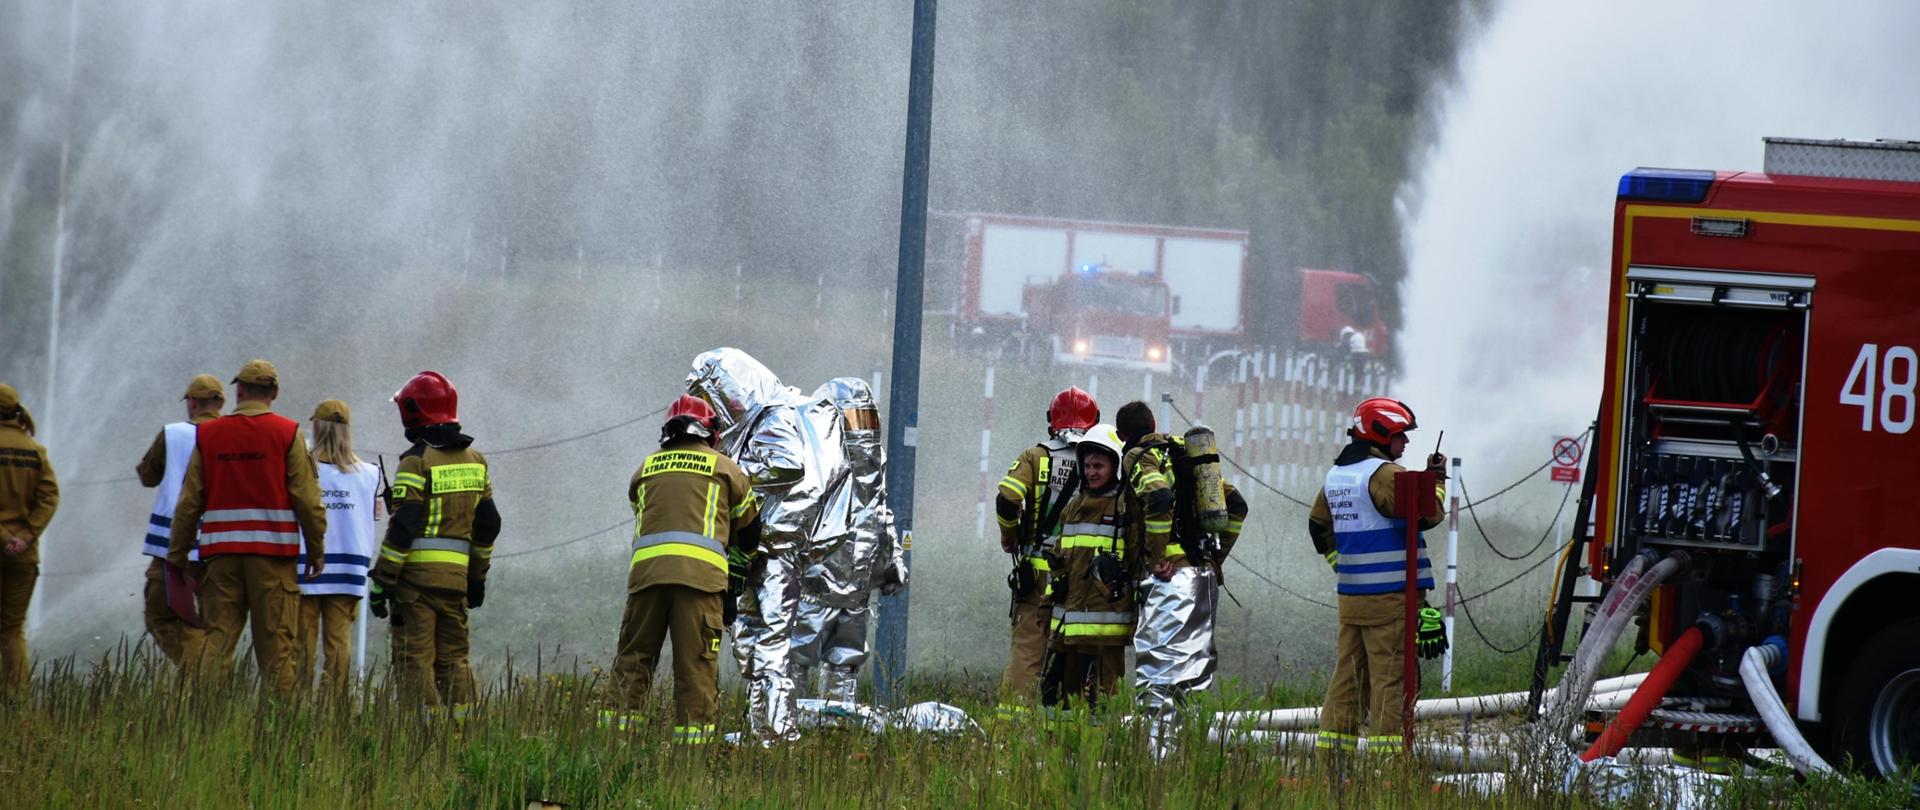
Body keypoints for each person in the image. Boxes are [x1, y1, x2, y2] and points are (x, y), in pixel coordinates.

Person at [686, 348, 844, 743]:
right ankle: (761, 728)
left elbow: (788, 464)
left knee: (771, 645)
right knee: (749, 645)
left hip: (775, 553)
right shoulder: (741, 431)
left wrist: (730, 475)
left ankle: (775, 733)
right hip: (750, 551)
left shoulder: (773, 416)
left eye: (708, 393)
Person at [606, 396, 761, 743]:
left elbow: (643, 510)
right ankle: (691, 755)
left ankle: (615, 744)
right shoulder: (725, 468)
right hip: (700, 584)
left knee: (632, 662)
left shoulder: (646, 468)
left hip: (646, 581)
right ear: (711, 434)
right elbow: (750, 529)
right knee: (695, 669)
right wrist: (736, 575)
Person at [168, 360, 328, 696]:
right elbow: (308, 500)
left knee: (217, 640)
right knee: (277, 649)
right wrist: (316, 548)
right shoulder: (288, 433)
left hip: (221, 559)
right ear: (275, 392)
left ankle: (204, 723)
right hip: (273, 559)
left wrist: (178, 556)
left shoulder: (208, 435)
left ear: (238, 391)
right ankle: (281, 729)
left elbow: (188, 503)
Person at [1308, 396, 1448, 758]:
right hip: (1391, 600)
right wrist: (1436, 480)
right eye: (1401, 436)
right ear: (1381, 432)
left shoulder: (1337, 475)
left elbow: (1317, 526)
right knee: (1391, 681)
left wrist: (1344, 565)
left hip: (1353, 600)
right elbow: (1427, 515)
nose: (1406, 444)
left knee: (1348, 681)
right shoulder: (1386, 474)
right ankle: (1389, 767)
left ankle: (1333, 764)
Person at [1113, 400, 1249, 754]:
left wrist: (1158, 556)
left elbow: (1157, 497)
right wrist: (1216, 558)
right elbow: (1236, 504)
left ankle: (1159, 765)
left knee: (1161, 678)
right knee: (1191, 678)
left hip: (1170, 580)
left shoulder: (1139, 456)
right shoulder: (1183, 454)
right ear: (1154, 422)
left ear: (1123, 435)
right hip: (1203, 577)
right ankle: (1187, 756)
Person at [368, 371, 499, 711]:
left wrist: (383, 580)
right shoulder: (476, 461)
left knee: (414, 661)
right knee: (455, 661)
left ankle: (420, 741)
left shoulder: (415, 461)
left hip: (416, 587)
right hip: (455, 585)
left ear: (413, 413)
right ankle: (464, 737)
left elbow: (405, 524)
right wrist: (476, 578)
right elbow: (489, 523)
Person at [790, 377, 907, 704]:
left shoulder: (872, 460)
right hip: (814, 585)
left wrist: (893, 559)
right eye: (855, 417)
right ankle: (786, 729)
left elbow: (881, 512)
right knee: (796, 660)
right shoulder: (811, 457)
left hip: (854, 588)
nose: (862, 428)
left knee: (845, 662)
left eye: (867, 417)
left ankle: (835, 730)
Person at [991, 386, 1096, 715]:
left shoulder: (1036, 457)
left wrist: (1009, 536)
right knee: (1077, 655)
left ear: (1051, 421)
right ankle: (1066, 726)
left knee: (1028, 652)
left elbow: (1007, 497)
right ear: (1094, 422)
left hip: (1038, 574)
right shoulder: (1103, 459)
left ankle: (1012, 727)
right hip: (1082, 578)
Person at [1039, 424, 1133, 708]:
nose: (1091, 472)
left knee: (1102, 702)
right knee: (1056, 699)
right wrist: (1046, 607)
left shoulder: (1124, 508)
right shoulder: (1073, 506)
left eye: (1099, 466)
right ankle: (1057, 750)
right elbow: (1058, 562)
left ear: (1115, 467)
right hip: (1066, 628)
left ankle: (1103, 751)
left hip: (1105, 629)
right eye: (1087, 465)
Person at [135, 374, 223, 666]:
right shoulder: (233, 434)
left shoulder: (172, 434)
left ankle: (197, 674)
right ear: (220, 402)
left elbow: (147, 476)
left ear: (193, 403)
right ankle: (208, 681)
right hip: (219, 545)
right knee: (213, 623)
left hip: (172, 546)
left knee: (160, 612)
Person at [295, 400, 382, 697]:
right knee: (339, 646)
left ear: (317, 428)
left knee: (301, 646)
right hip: (349, 571)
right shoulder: (371, 474)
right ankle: (333, 711)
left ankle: (298, 708)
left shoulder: (302, 470)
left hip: (307, 566)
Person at [0, 384, 57, 690]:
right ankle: (18, 701)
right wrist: (25, 535)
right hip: (24, 555)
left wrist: (4, 537)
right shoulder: (35, 451)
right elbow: (49, 497)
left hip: (6, 545)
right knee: (12, 630)